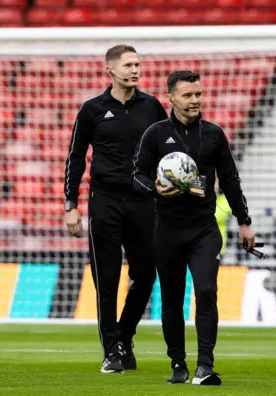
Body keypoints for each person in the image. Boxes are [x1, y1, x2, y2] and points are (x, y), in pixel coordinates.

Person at [132, 70, 255, 386]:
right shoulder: (156, 134)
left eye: (198, 94)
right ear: (171, 97)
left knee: (205, 291)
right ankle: (178, 364)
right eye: (188, 95)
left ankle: (205, 366)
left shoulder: (213, 134)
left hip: (204, 229)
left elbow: (230, 179)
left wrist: (244, 222)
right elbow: (137, 175)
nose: (195, 100)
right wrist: (155, 190)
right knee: (172, 299)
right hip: (168, 230)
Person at [63, 44, 167, 373]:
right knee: (105, 281)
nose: (135, 70)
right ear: (110, 70)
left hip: (143, 202)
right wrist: (71, 204)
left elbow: (167, 149)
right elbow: (75, 158)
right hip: (104, 201)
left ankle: (125, 335)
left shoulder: (152, 106)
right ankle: (111, 350)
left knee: (146, 275)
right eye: (128, 65)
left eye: (137, 64)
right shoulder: (92, 110)